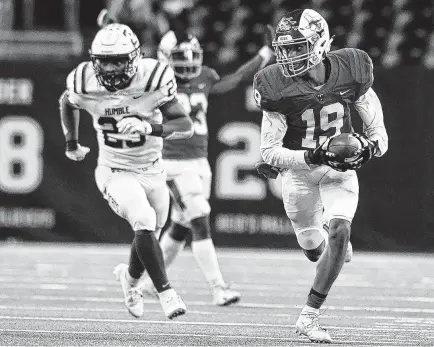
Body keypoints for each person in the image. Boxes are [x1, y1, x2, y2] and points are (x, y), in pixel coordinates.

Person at [253, 9, 388, 343]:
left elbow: (380, 139)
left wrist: (366, 149)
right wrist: (313, 155)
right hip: (300, 173)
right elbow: (269, 152)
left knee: (341, 229)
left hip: (338, 171)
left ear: (320, 42)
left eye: (297, 47)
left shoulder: (352, 70)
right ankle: (329, 247)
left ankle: (309, 315)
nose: (288, 56)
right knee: (315, 248)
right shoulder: (275, 85)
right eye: (284, 48)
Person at [58, 23, 194, 320]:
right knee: (143, 220)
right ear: (94, 60)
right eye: (105, 61)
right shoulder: (84, 81)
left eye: (118, 59)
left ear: (134, 57)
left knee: (149, 235)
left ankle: (129, 282)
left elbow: (185, 126)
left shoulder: (153, 78)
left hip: (153, 170)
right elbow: (66, 102)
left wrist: (149, 126)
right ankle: (166, 293)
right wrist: (72, 143)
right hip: (114, 168)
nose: (111, 67)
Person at [138, 29, 274, 305]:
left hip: (199, 161)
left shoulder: (205, 77)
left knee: (180, 225)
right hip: (173, 163)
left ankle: (149, 284)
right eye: (179, 57)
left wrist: (264, 54)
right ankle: (218, 287)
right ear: (165, 58)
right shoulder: (155, 83)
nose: (187, 62)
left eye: (191, 56)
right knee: (199, 218)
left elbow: (233, 80)